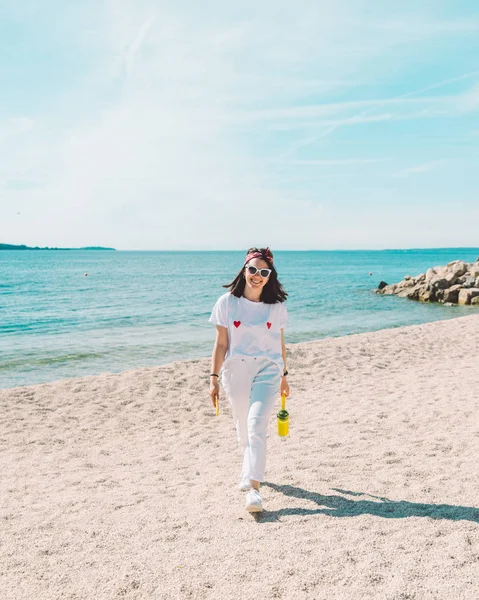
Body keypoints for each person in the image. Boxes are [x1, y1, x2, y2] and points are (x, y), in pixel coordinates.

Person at [208, 247, 289, 513]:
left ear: (269, 276)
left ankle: (254, 490)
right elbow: (221, 344)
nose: (257, 275)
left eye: (263, 272)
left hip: (267, 370)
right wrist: (213, 378)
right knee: (242, 425)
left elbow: (280, 344)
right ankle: (247, 470)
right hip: (236, 370)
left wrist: (284, 376)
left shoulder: (276, 307)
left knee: (256, 424)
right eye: (253, 269)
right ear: (244, 270)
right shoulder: (227, 303)